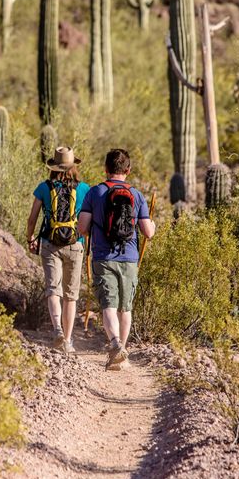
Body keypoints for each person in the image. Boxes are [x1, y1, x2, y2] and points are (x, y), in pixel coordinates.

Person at [78, 148, 155, 369]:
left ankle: (115, 345)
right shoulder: (137, 195)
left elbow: (83, 228)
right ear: (128, 170)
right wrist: (153, 226)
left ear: (106, 169)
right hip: (129, 258)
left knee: (108, 306)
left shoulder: (94, 193)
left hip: (103, 256)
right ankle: (121, 354)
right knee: (125, 308)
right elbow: (148, 232)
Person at [26, 147, 91, 354]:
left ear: (53, 167)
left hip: (49, 243)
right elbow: (88, 219)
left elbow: (32, 218)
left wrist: (30, 239)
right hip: (75, 244)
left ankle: (57, 331)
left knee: (53, 289)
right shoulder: (84, 189)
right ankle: (69, 341)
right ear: (73, 167)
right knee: (70, 295)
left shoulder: (44, 188)